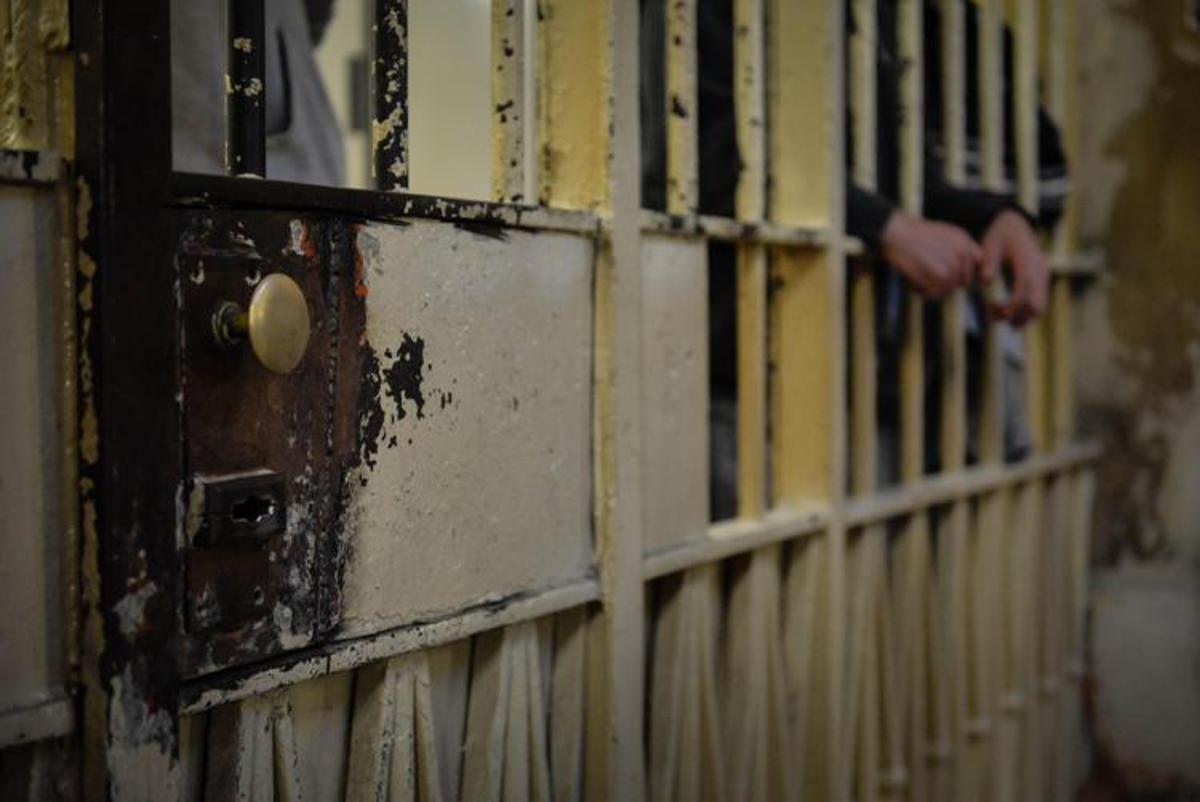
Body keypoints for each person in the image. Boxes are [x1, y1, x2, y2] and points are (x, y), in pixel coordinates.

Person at [640, 0, 1065, 517]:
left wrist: (996, 217)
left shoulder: (874, 12)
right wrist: (884, 225)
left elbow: (901, 176)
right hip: (731, 367)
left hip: (856, 372)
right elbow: (696, 159)